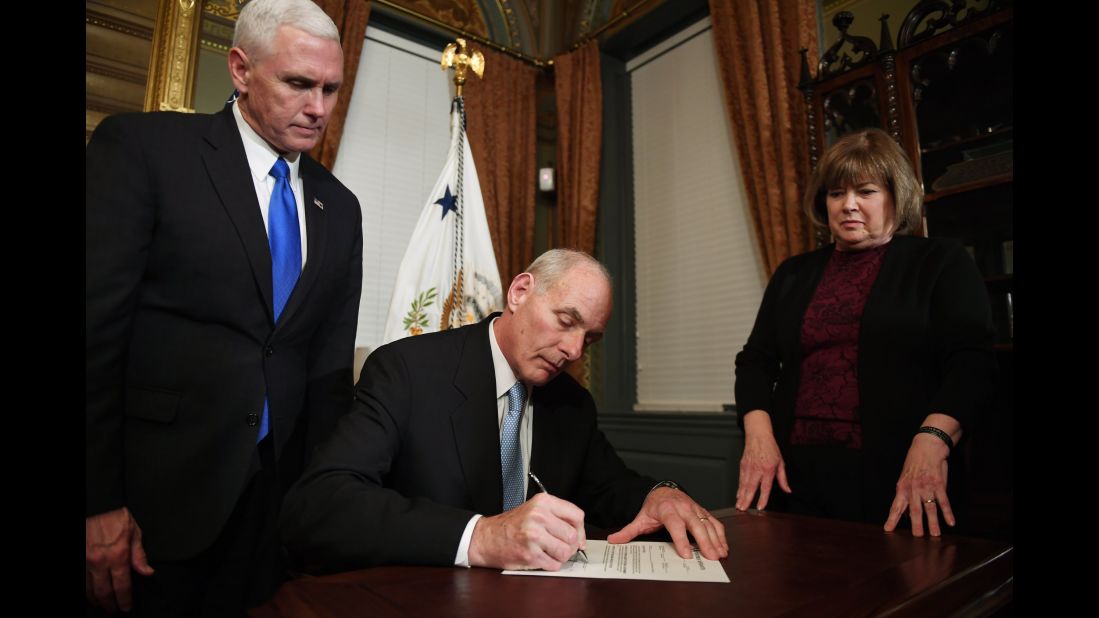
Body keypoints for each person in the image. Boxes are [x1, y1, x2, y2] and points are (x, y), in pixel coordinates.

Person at [85, 0, 363, 613]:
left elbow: (328, 374)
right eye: (298, 83)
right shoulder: (145, 150)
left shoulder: (339, 207)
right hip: (150, 504)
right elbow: (95, 337)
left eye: (330, 89)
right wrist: (96, 502)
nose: (317, 108)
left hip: (275, 516)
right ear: (241, 69)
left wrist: (320, 507)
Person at [280, 249, 728, 572]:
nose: (573, 351)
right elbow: (321, 505)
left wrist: (660, 494)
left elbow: (611, 486)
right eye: (566, 321)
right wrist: (480, 536)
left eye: (589, 339)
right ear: (519, 292)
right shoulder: (408, 371)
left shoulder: (573, 405)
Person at [733, 128, 996, 537]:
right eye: (837, 193)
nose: (849, 205)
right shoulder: (792, 274)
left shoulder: (940, 261)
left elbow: (972, 363)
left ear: (896, 195)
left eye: (866, 191)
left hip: (900, 477)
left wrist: (932, 440)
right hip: (794, 479)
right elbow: (756, 362)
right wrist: (758, 437)